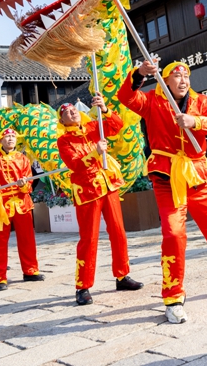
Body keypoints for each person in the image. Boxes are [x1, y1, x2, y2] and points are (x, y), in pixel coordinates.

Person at [117, 60, 207, 324]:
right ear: (165, 80)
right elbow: (126, 97)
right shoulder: (151, 101)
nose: (183, 80)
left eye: (186, 76)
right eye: (176, 76)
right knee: (174, 234)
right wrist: (139, 74)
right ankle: (173, 296)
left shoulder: (200, 101)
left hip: (197, 175)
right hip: (168, 177)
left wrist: (194, 121)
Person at [57, 94, 143, 306]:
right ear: (62, 121)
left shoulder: (93, 127)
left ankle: (122, 275)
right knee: (89, 239)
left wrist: (104, 109)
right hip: (87, 191)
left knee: (118, 231)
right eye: (66, 112)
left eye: (73, 109)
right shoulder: (64, 141)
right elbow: (75, 164)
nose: (72, 112)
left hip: (109, 185)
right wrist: (96, 152)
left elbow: (116, 126)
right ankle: (82, 286)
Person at [0, 128, 44, 291]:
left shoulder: (22, 158)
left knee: (27, 238)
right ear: (0, 140)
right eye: (7, 136)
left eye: (13, 136)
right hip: (0, 204)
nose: (11, 139)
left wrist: (24, 184)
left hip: (21, 202)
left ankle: (30, 270)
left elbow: (29, 182)